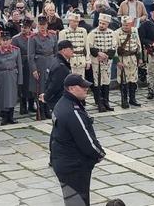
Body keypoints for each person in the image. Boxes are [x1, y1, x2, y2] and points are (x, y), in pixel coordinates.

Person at [50, 73, 105, 206]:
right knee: (79, 202)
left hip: (65, 162)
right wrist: (100, 154)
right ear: (71, 89)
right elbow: (85, 140)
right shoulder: (72, 111)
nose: (86, 89)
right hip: (74, 166)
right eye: (82, 87)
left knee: (73, 202)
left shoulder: (62, 103)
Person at [0, 32, 23, 125]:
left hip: (12, 74)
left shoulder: (16, 50)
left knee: (12, 96)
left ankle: (11, 116)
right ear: (0, 41)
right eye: (3, 40)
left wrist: (20, 80)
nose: (5, 42)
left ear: (10, 40)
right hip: (1, 75)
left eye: (7, 40)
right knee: (2, 97)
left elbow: (19, 66)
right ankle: (4, 116)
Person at [86, 14, 117, 113]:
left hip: (107, 61)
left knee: (106, 80)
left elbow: (114, 46)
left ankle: (106, 101)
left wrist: (106, 55)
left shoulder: (112, 33)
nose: (101, 25)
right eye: (100, 23)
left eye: (103, 23)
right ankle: (99, 101)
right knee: (97, 81)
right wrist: (98, 53)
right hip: (96, 61)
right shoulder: (93, 33)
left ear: (107, 24)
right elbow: (89, 46)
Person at [112, 16, 143, 108]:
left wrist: (140, 57)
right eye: (124, 25)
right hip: (122, 58)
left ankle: (132, 99)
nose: (125, 27)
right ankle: (124, 99)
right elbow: (114, 48)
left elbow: (138, 44)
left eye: (127, 25)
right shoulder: (116, 33)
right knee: (123, 80)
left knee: (133, 79)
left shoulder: (134, 31)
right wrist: (117, 61)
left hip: (133, 58)